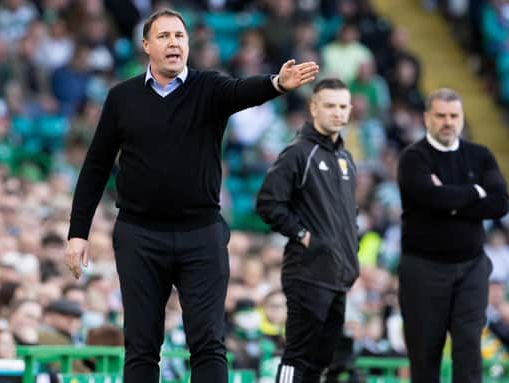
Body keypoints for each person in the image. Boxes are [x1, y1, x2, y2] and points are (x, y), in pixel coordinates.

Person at [63, 9, 319, 383]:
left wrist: (277, 83)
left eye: (179, 36)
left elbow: (242, 91)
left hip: (200, 235)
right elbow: (95, 167)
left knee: (209, 344)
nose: (173, 43)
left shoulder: (209, 87)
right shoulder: (122, 97)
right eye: (164, 36)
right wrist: (77, 232)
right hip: (139, 235)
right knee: (141, 346)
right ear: (146, 45)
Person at [396, 88, 509, 383]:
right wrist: (474, 193)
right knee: (424, 353)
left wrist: (450, 200)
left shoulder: (480, 155)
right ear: (426, 118)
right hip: (423, 268)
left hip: (472, 266)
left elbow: (500, 203)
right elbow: (433, 199)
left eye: (454, 116)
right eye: (441, 115)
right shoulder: (413, 158)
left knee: (469, 345)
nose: (448, 122)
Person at [256, 78, 359, 383]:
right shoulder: (299, 152)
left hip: (337, 276)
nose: (337, 113)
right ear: (314, 108)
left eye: (342, 106)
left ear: (350, 110)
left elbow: (347, 218)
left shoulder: (345, 159)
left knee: (321, 360)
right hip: (307, 271)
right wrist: (303, 236)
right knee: (298, 356)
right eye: (330, 106)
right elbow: (268, 203)